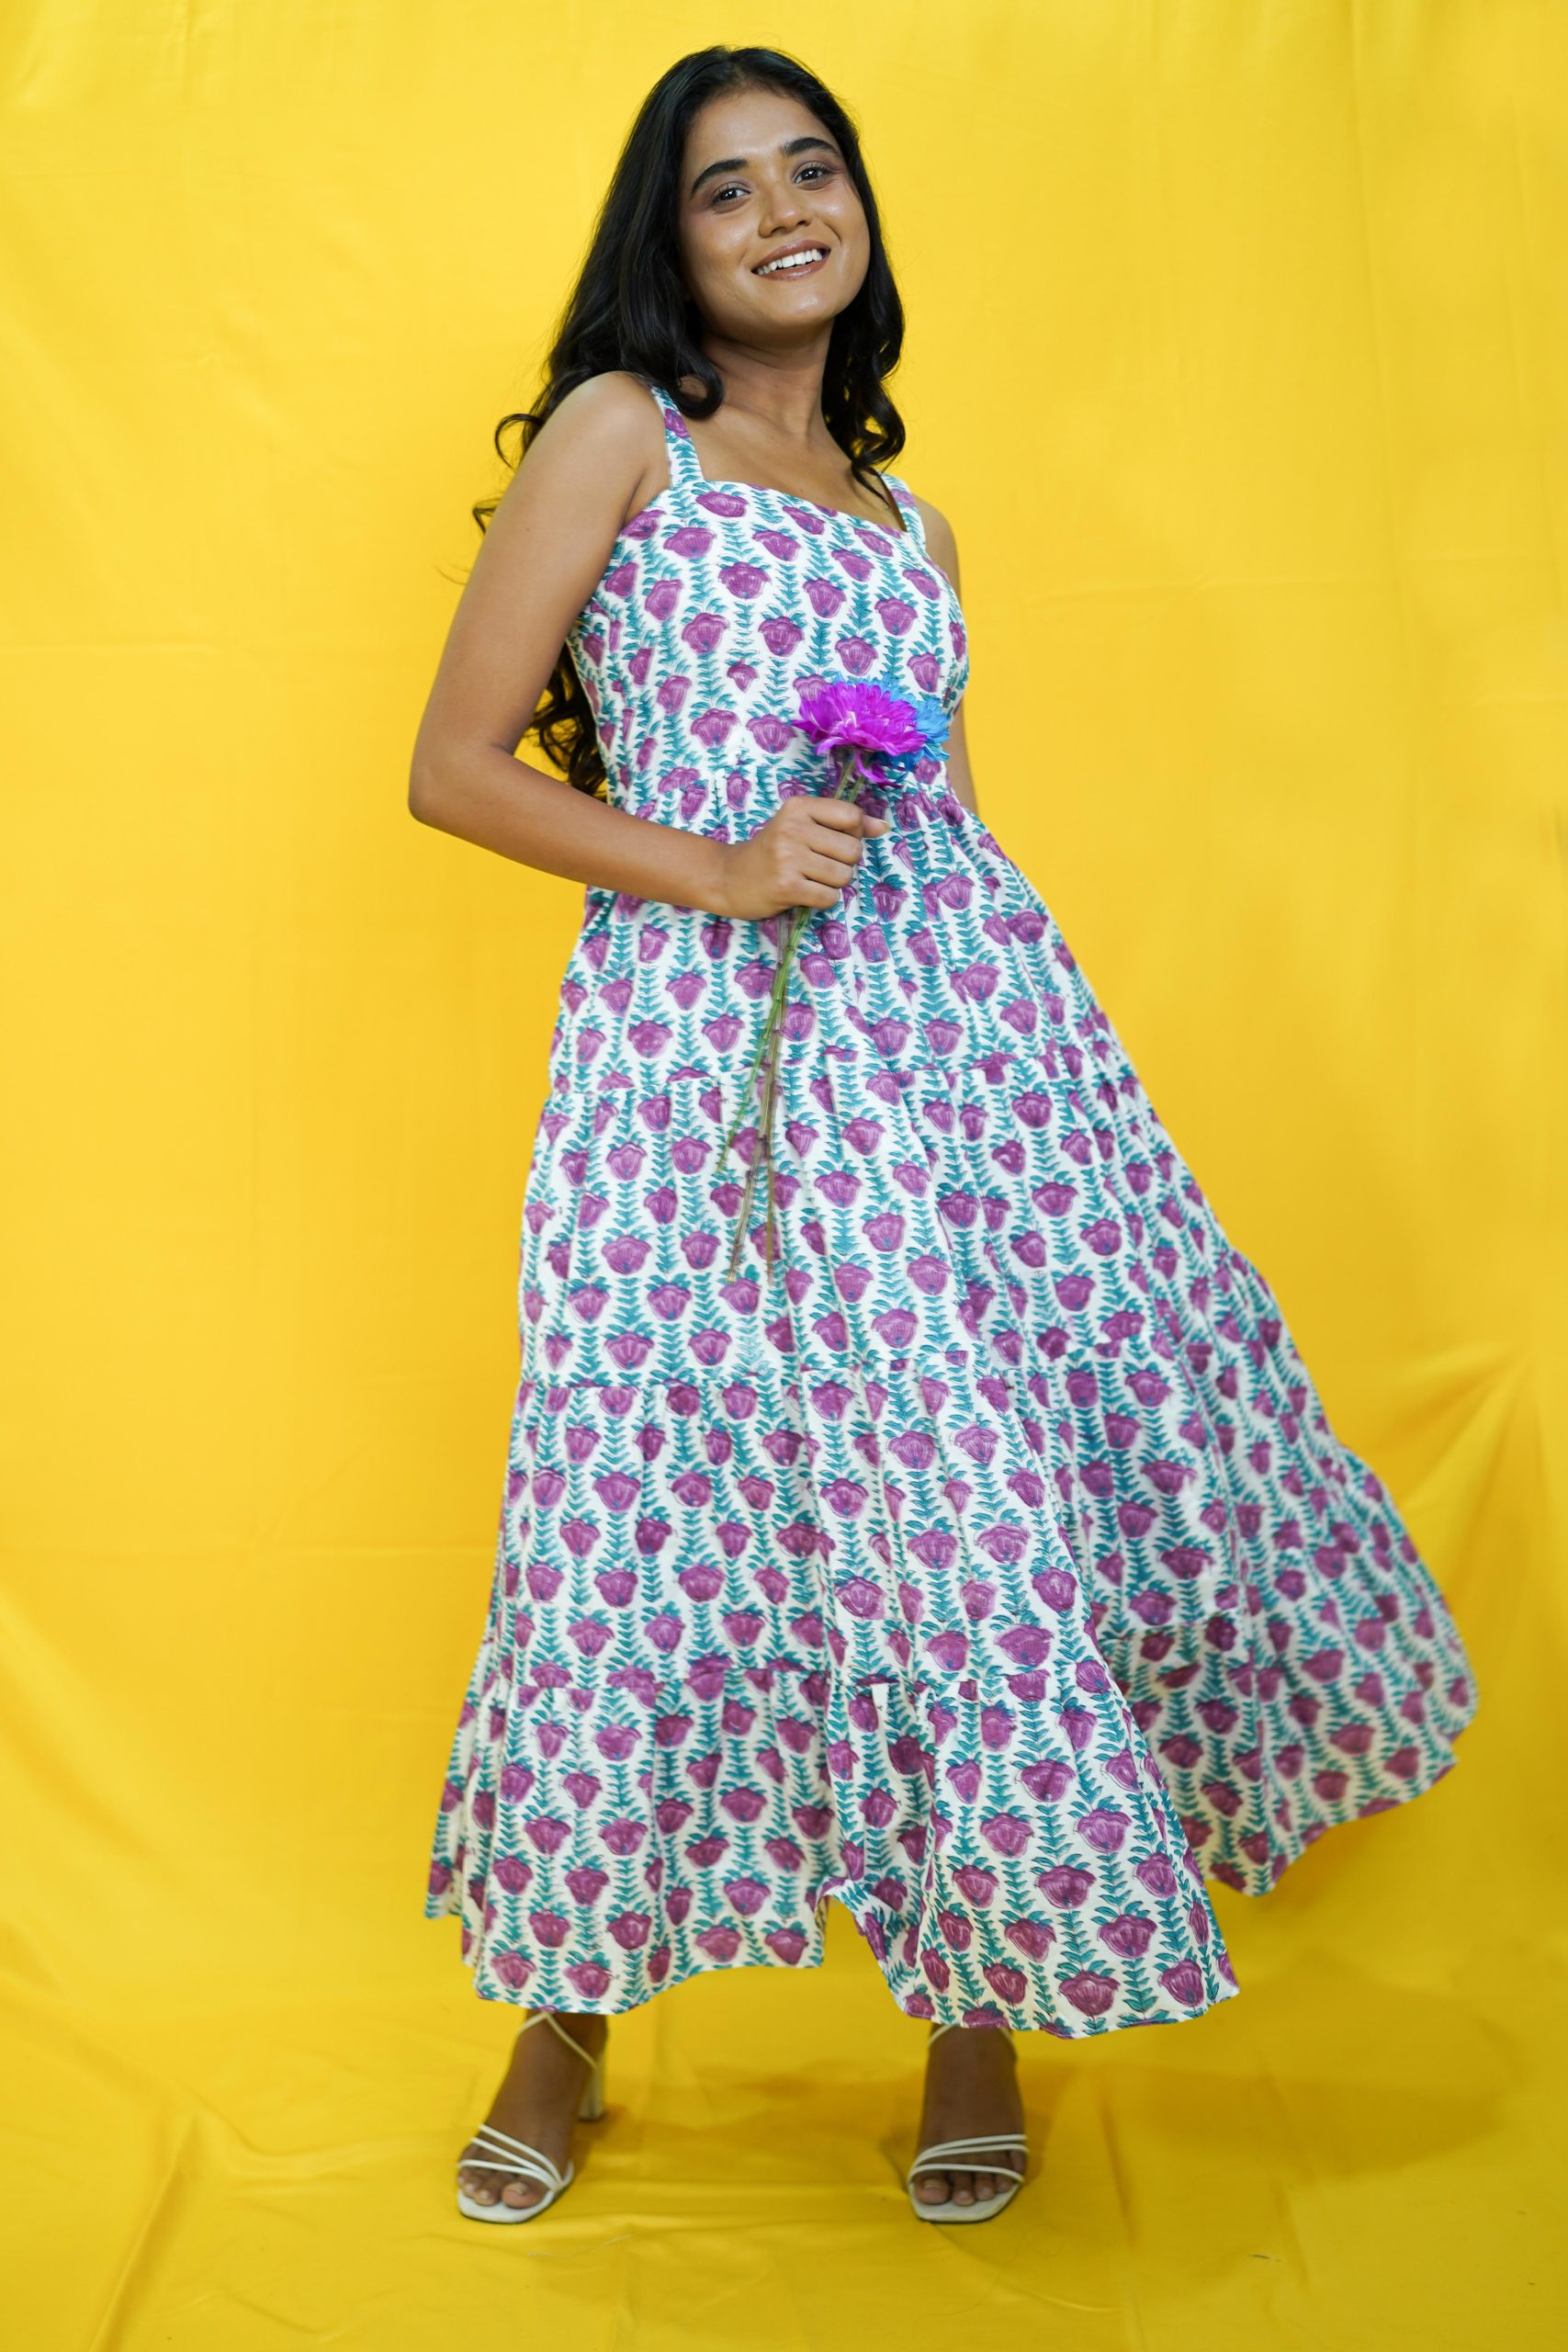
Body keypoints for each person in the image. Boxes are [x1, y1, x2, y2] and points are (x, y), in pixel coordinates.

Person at [409, 46, 1479, 2228]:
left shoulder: (915, 525)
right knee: (646, 1513)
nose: (782, 210)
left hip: (948, 1075)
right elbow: (451, 765)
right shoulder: (625, 437)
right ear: (669, 243)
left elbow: (951, 833)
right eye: (727, 189)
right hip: (695, 1071)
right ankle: (560, 2021)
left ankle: (975, 2004)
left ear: (860, 207)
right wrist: (720, 868)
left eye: (812, 168)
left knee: (965, 1513)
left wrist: (1045, 1114)